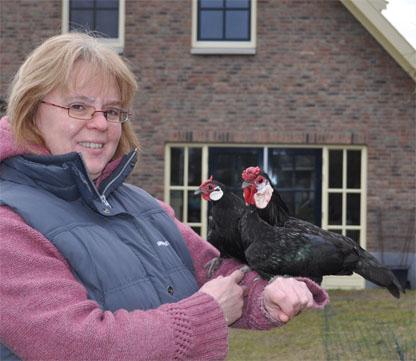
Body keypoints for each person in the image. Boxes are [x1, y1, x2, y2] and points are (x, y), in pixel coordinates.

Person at [0, 33, 328, 361]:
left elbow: (214, 271)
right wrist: (207, 314)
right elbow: (78, 345)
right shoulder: (9, 222)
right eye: (78, 106)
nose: (100, 123)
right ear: (30, 112)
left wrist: (266, 296)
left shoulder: (143, 207)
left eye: (112, 111)